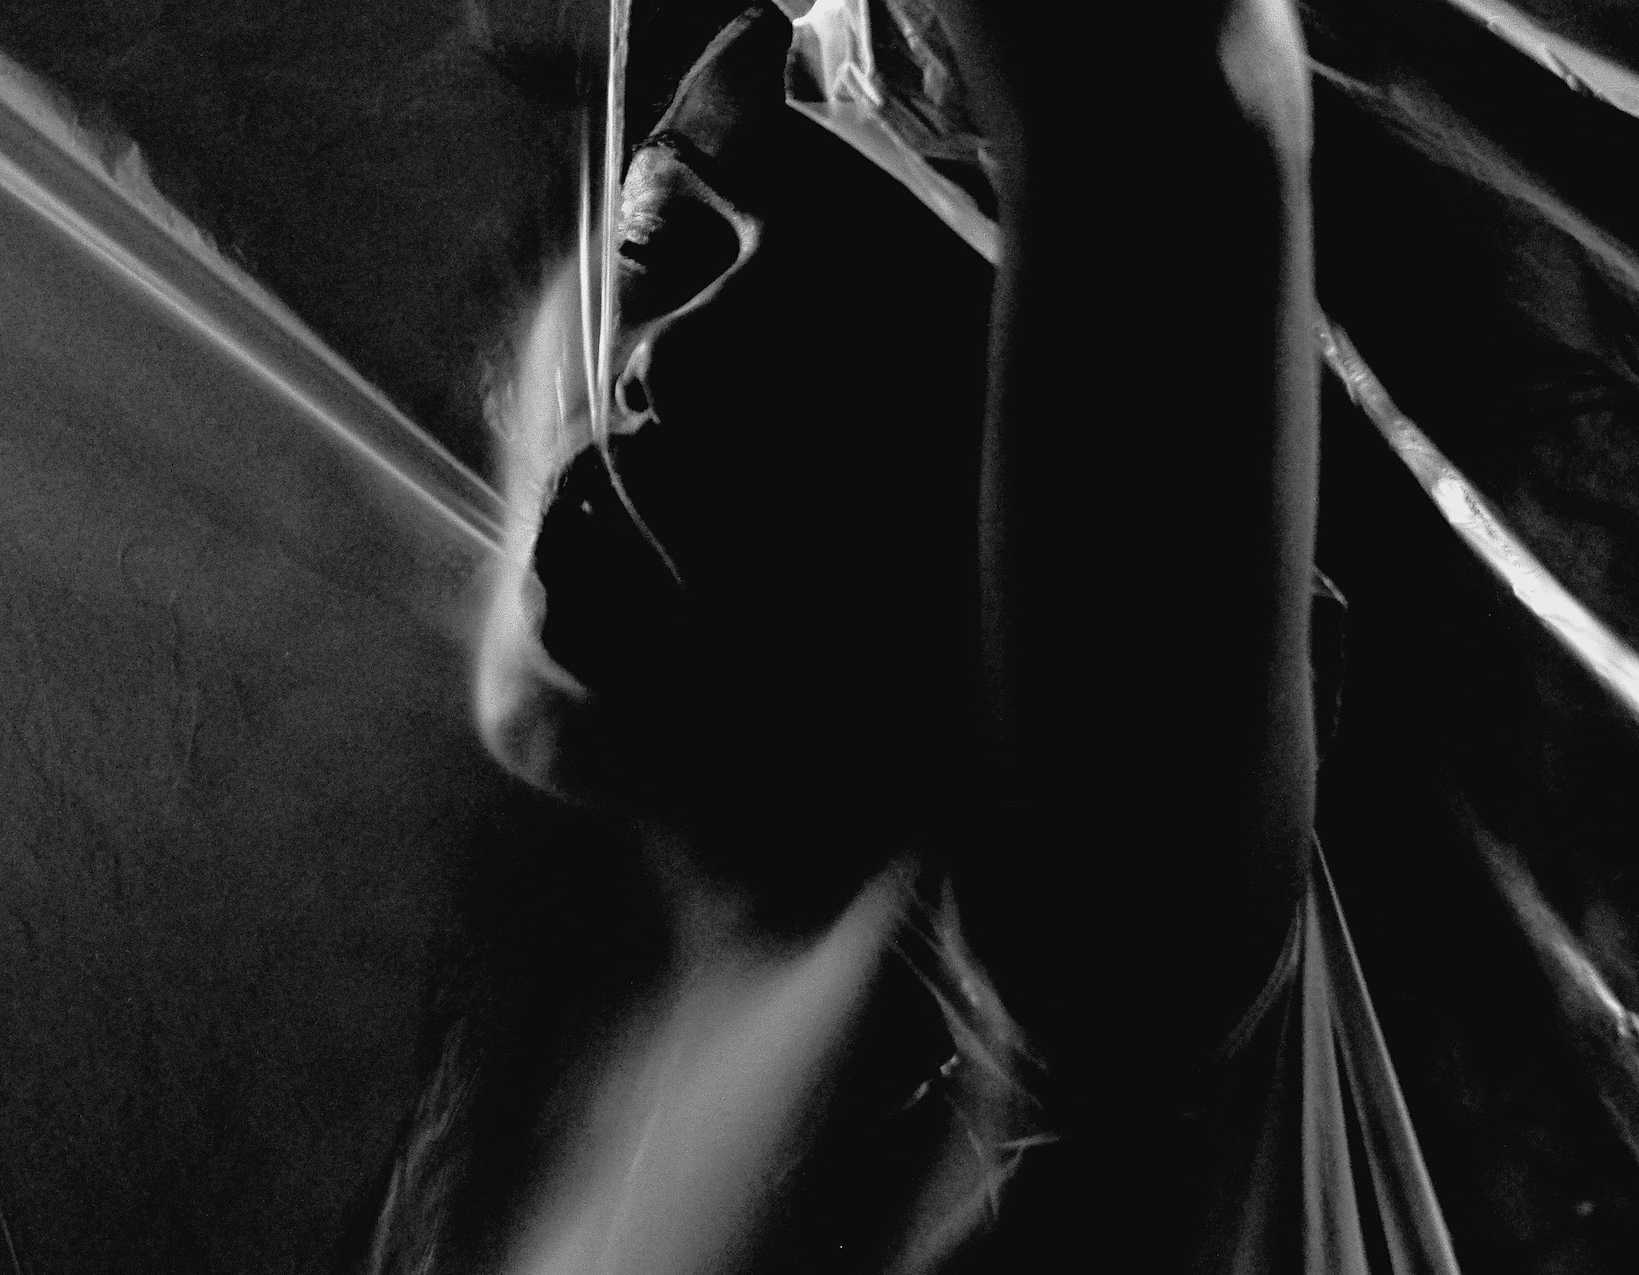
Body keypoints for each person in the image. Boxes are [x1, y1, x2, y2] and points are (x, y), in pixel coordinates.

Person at [443, 3, 1462, 1271]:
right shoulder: (552, 1060)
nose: (682, 361)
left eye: (831, 358)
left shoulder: (1096, 967)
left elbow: (1163, 90)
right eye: (660, 240)